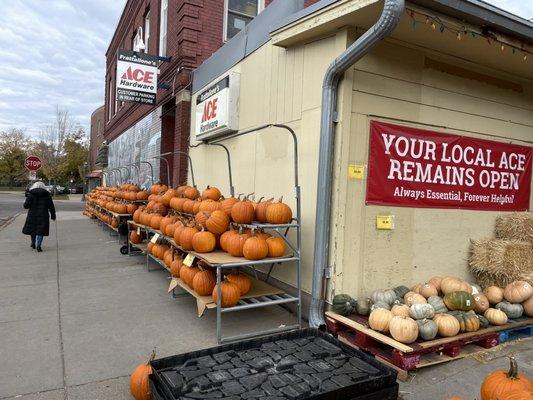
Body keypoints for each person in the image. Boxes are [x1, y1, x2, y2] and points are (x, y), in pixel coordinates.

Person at [22, 181, 56, 252]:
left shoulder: (31, 194)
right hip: (43, 215)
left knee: (33, 229)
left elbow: (26, 206)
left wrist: (26, 202)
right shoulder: (47, 195)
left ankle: (33, 243)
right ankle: (39, 246)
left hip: (32, 215)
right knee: (41, 231)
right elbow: (51, 207)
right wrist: (53, 216)